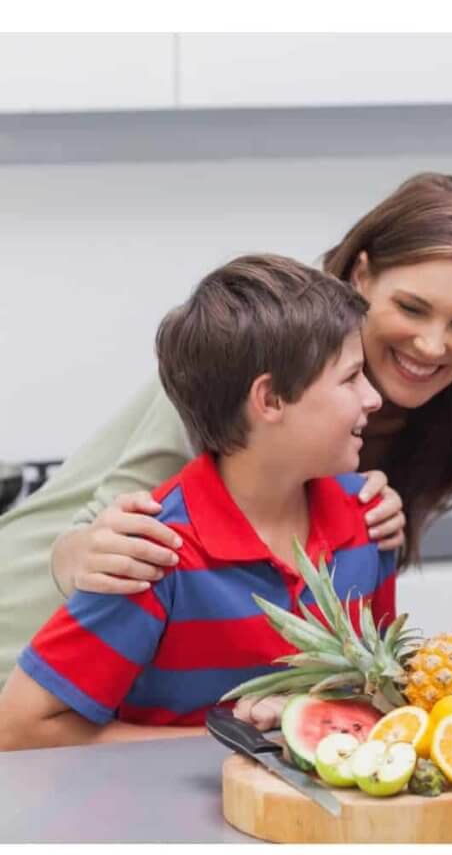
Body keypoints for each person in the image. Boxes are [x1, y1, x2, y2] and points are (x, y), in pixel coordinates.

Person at [0, 172, 452, 692]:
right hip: (26, 628)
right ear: (362, 277)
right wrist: (74, 555)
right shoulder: (253, 360)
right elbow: (108, 533)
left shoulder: (417, 425)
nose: (432, 345)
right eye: (411, 308)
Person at [0, 255, 394, 750]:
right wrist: (237, 743)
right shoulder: (156, 552)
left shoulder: (369, 520)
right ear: (270, 400)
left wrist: (305, 716)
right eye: (351, 377)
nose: (374, 397)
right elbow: (18, 728)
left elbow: (380, 691)